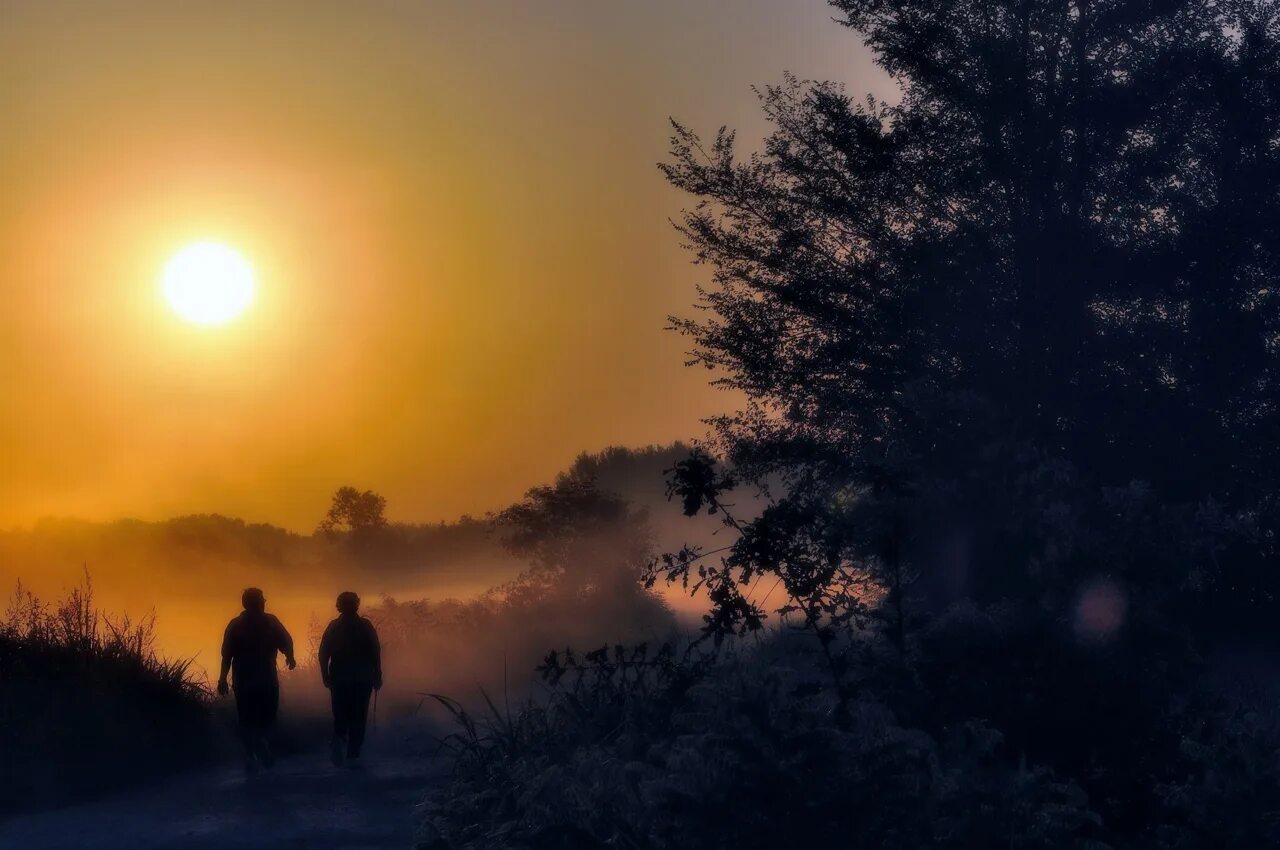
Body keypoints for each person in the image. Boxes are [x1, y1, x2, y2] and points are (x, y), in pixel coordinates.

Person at [217, 587, 296, 774]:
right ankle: (262, 742)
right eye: (262, 599)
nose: (265, 601)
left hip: (243, 681)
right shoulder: (271, 622)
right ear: (258, 603)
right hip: (266, 680)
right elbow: (286, 640)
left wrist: (222, 679)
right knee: (268, 716)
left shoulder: (235, 624)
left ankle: (250, 756)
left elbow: (226, 656)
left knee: (246, 719)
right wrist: (290, 657)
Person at [318, 591, 382, 768]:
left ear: (339, 606)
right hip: (362, 679)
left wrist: (325, 674)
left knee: (340, 715)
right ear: (357, 605)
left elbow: (323, 653)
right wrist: (378, 673)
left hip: (339, 679)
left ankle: (338, 741)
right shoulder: (365, 625)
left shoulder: (334, 626)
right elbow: (375, 651)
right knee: (359, 718)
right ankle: (353, 756)